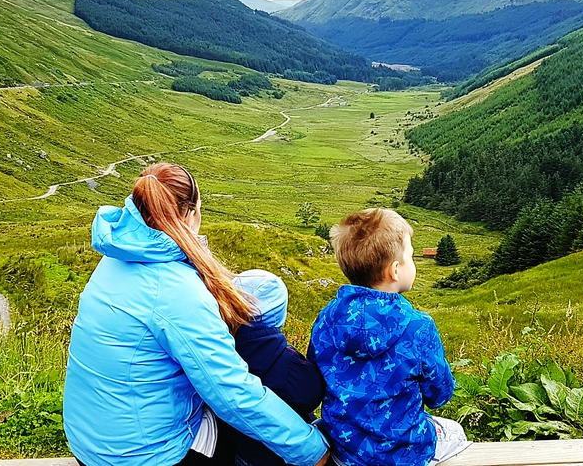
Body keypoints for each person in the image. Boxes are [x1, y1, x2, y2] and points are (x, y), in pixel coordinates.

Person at [63, 163, 330, 466]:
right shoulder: (175, 289)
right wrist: (313, 451)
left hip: (91, 441)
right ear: (190, 214)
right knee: (252, 430)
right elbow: (232, 394)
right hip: (147, 457)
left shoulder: (118, 254)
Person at [309, 208, 470, 466]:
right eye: (411, 256)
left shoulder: (326, 319)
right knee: (455, 432)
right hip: (406, 452)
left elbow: (316, 375)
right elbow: (440, 395)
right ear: (395, 270)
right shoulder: (419, 327)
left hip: (345, 449)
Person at [227, 270, 326, 466]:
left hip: (241, 451)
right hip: (277, 456)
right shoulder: (281, 360)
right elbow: (312, 394)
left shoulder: (222, 349)